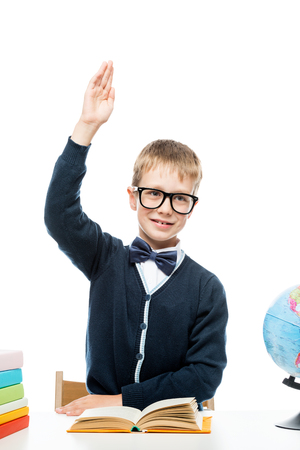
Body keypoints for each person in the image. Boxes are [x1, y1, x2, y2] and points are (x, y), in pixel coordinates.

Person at [44, 60, 228, 416]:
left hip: (176, 429)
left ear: (192, 206)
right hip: (104, 428)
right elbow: (59, 214)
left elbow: (204, 377)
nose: (165, 208)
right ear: (133, 197)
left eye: (179, 198)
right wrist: (86, 127)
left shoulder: (207, 288)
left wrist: (121, 401)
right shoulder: (104, 257)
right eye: (153, 193)